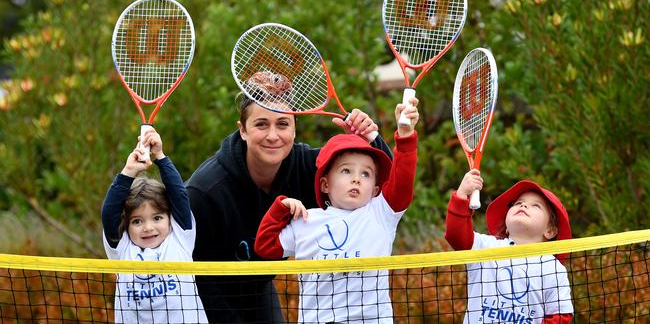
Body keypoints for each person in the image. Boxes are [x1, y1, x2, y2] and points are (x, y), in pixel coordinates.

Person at [186, 73, 393, 323]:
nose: (273, 135)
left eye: (283, 124)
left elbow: (386, 185)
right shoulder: (204, 190)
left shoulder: (311, 168)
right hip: (205, 295)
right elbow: (193, 275)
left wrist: (371, 139)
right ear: (242, 130)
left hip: (261, 288)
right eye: (261, 124)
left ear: (294, 129)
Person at [254, 98, 419, 323]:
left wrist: (405, 135)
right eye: (346, 171)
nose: (356, 179)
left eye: (366, 174)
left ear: (375, 189)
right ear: (325, 184)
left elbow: (402, 183)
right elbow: (265, 248)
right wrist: (280, 208)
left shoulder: (380, 214)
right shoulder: (306, 220)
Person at [102, 129, 208, 323]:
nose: (148, 227)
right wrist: (129, 172)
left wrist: (160, 156)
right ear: (126, 225)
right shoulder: (122, 249)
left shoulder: (180, 239)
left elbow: (179, 195)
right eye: (137, 221)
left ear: (170, 218)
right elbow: (109, 213)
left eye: (157, 218)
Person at [445, 170, 574, 324]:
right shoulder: (486, 246)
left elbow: (561, 317)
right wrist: (461, 195)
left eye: (536, 206)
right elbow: (455, 234)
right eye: (518, 203)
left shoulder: (553, 268)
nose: (524, 205)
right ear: (506, 227)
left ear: (550, 230)